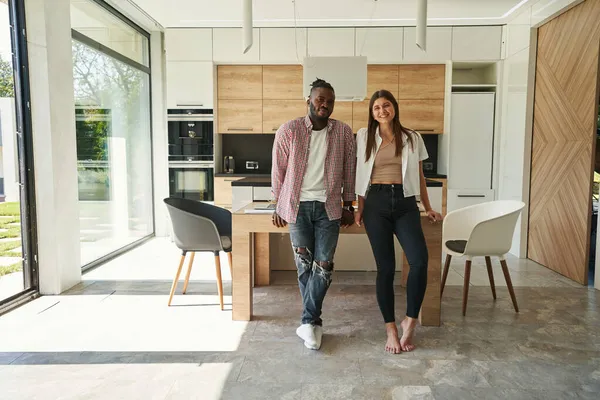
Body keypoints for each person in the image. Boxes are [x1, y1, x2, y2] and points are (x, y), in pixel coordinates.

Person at [354, 90, 443, 354]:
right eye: (377, 107)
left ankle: (410, 320)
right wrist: (359, 208)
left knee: (419, 261)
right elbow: (360, 174)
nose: (382, 111)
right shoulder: (363, 136)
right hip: (376, 203)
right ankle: (390, 328)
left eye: (386, 106)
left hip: (405, 203)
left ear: (394, 108)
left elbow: (420, 176)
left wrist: (428, 208)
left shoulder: (412, 137)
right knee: (386, 267)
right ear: (372, 112)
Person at [271, 78, 356, 350]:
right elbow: (278, 170)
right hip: (296, 207)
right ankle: (313, 323)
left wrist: (348, 203)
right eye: (320, 99)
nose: (325, 105)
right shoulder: (290, 130)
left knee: (324, 266)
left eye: (330, 101)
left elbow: (349, 170)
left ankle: (307, 322)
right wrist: (277, 203)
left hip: (328, 208)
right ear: (308, 100)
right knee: (303, 265)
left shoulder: (343, 132)